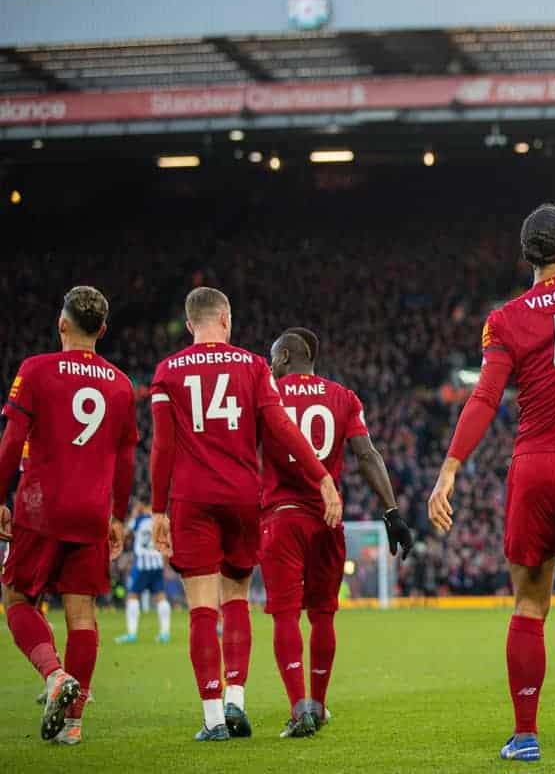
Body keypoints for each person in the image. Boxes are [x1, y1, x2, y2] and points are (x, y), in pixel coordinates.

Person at [427, 90, 555, 769]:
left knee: (528, 604)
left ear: (529, 258)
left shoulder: (506, 319)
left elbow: (485, 399)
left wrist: (452, 468)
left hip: (536, 468)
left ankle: (525, 735)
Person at [149, 287, 341, 741]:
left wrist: (158, 509)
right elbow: (282, 428)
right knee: (237, 598)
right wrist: (321, 475)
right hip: (242, 497)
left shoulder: (167, 372)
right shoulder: (254, 366)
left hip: (192, 500)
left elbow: (162, 448)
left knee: (201, 607)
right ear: (227, 319)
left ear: (190, 322)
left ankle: (214, 718)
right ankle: (237, 699)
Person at [259, 327, 414, 738]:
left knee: (286, 615)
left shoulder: (268, 395)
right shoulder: (344, 397)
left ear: (289, 357)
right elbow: (367, 454)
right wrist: (391, 511)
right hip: (329, 520)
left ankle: (298, 709)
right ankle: (320, 705)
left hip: (282, 518)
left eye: (275, 358)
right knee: (323, 614)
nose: (271, 364)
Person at [0, 286, 137, 745]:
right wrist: (117, 517)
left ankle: (54, 674)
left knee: (17, 598)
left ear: (62, 324)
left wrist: (0, 496)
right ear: (102, 330)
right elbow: (125, 459)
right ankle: (73, 726)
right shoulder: (120, 384)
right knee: (83, 617)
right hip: (92, 511)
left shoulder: (35, 371)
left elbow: (11, 440)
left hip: (41, 507)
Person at [115, 504, 172, 644]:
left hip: (141, 565)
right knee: (160, 596)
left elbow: (126, 532)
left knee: (132, 595)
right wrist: (164, 564)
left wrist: (134, 515)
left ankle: (131, 635)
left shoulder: (139, 519)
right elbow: (167, 542)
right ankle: (165, 634)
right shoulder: (160, 520)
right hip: (157, 563)